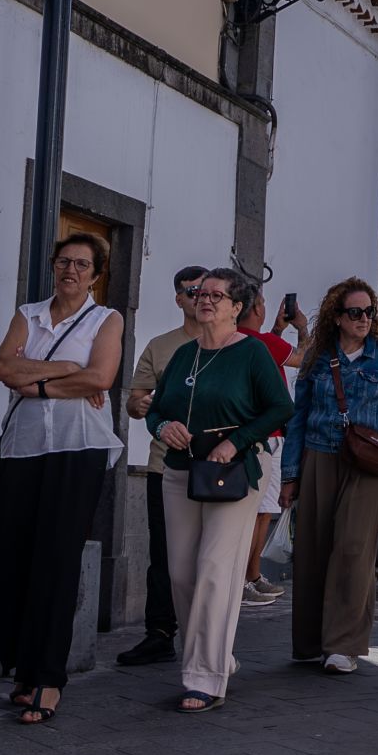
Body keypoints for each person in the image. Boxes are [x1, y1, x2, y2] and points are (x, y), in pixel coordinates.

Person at [0, 234, 124, 724]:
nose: (71, 270)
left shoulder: (107, 319)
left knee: (57, 560)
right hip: (24, 447)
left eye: (82, 264)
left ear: (96, 274)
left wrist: (38, 384)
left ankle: (48, 677)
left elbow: (100, 378)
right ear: (53, 266)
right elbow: (3, 367)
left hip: (78, 447)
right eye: (64, 261)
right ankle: (23, 669)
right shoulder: (28, 315)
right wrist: (66, 369)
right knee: (12, 558)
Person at [146, 269, 290, 712]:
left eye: (215, 295)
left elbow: (280, 408)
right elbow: (156, 410)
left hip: (235, 470)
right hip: (182, 469)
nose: (204, 299)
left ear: (235, 307)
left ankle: (205, 677)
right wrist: (163, 427)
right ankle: (216, 656)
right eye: (199, 293)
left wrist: (236, 441)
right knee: (181, 574)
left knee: (214, 568)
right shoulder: (183, 356)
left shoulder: (252, 353)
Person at [281, 279, 378, 674]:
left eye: (369, 312)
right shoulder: (318, 357)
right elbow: (298, 418)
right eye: (355, 312)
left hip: (368, 462)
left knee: (353, 548)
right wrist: (290, 475)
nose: (364, 319)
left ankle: (343, 645)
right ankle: (311, 641)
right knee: (314, 551)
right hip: (319, 455)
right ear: (337, 316)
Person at [119, 264, 206, 667]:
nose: (200, 298)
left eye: (207, 291)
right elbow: (135, 401)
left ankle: (206, 636)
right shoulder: (161, 346)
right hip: (165, 466)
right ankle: (159, 633)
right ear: (179, 299)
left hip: (220, 466)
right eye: (191, 291)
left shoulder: (236, 345)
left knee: (211, 556)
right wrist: (139, 406)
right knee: (164, 554)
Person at [237, 286, 298, 607]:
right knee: (260, 513)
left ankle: (252, 574)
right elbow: (305, 359)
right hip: (268, 437)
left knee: (259, 511)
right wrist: (302, 327)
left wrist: (278, 330)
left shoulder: (246, 341)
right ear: (257, 309)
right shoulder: (262, 342)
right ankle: (246, 578)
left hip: (252, 436)